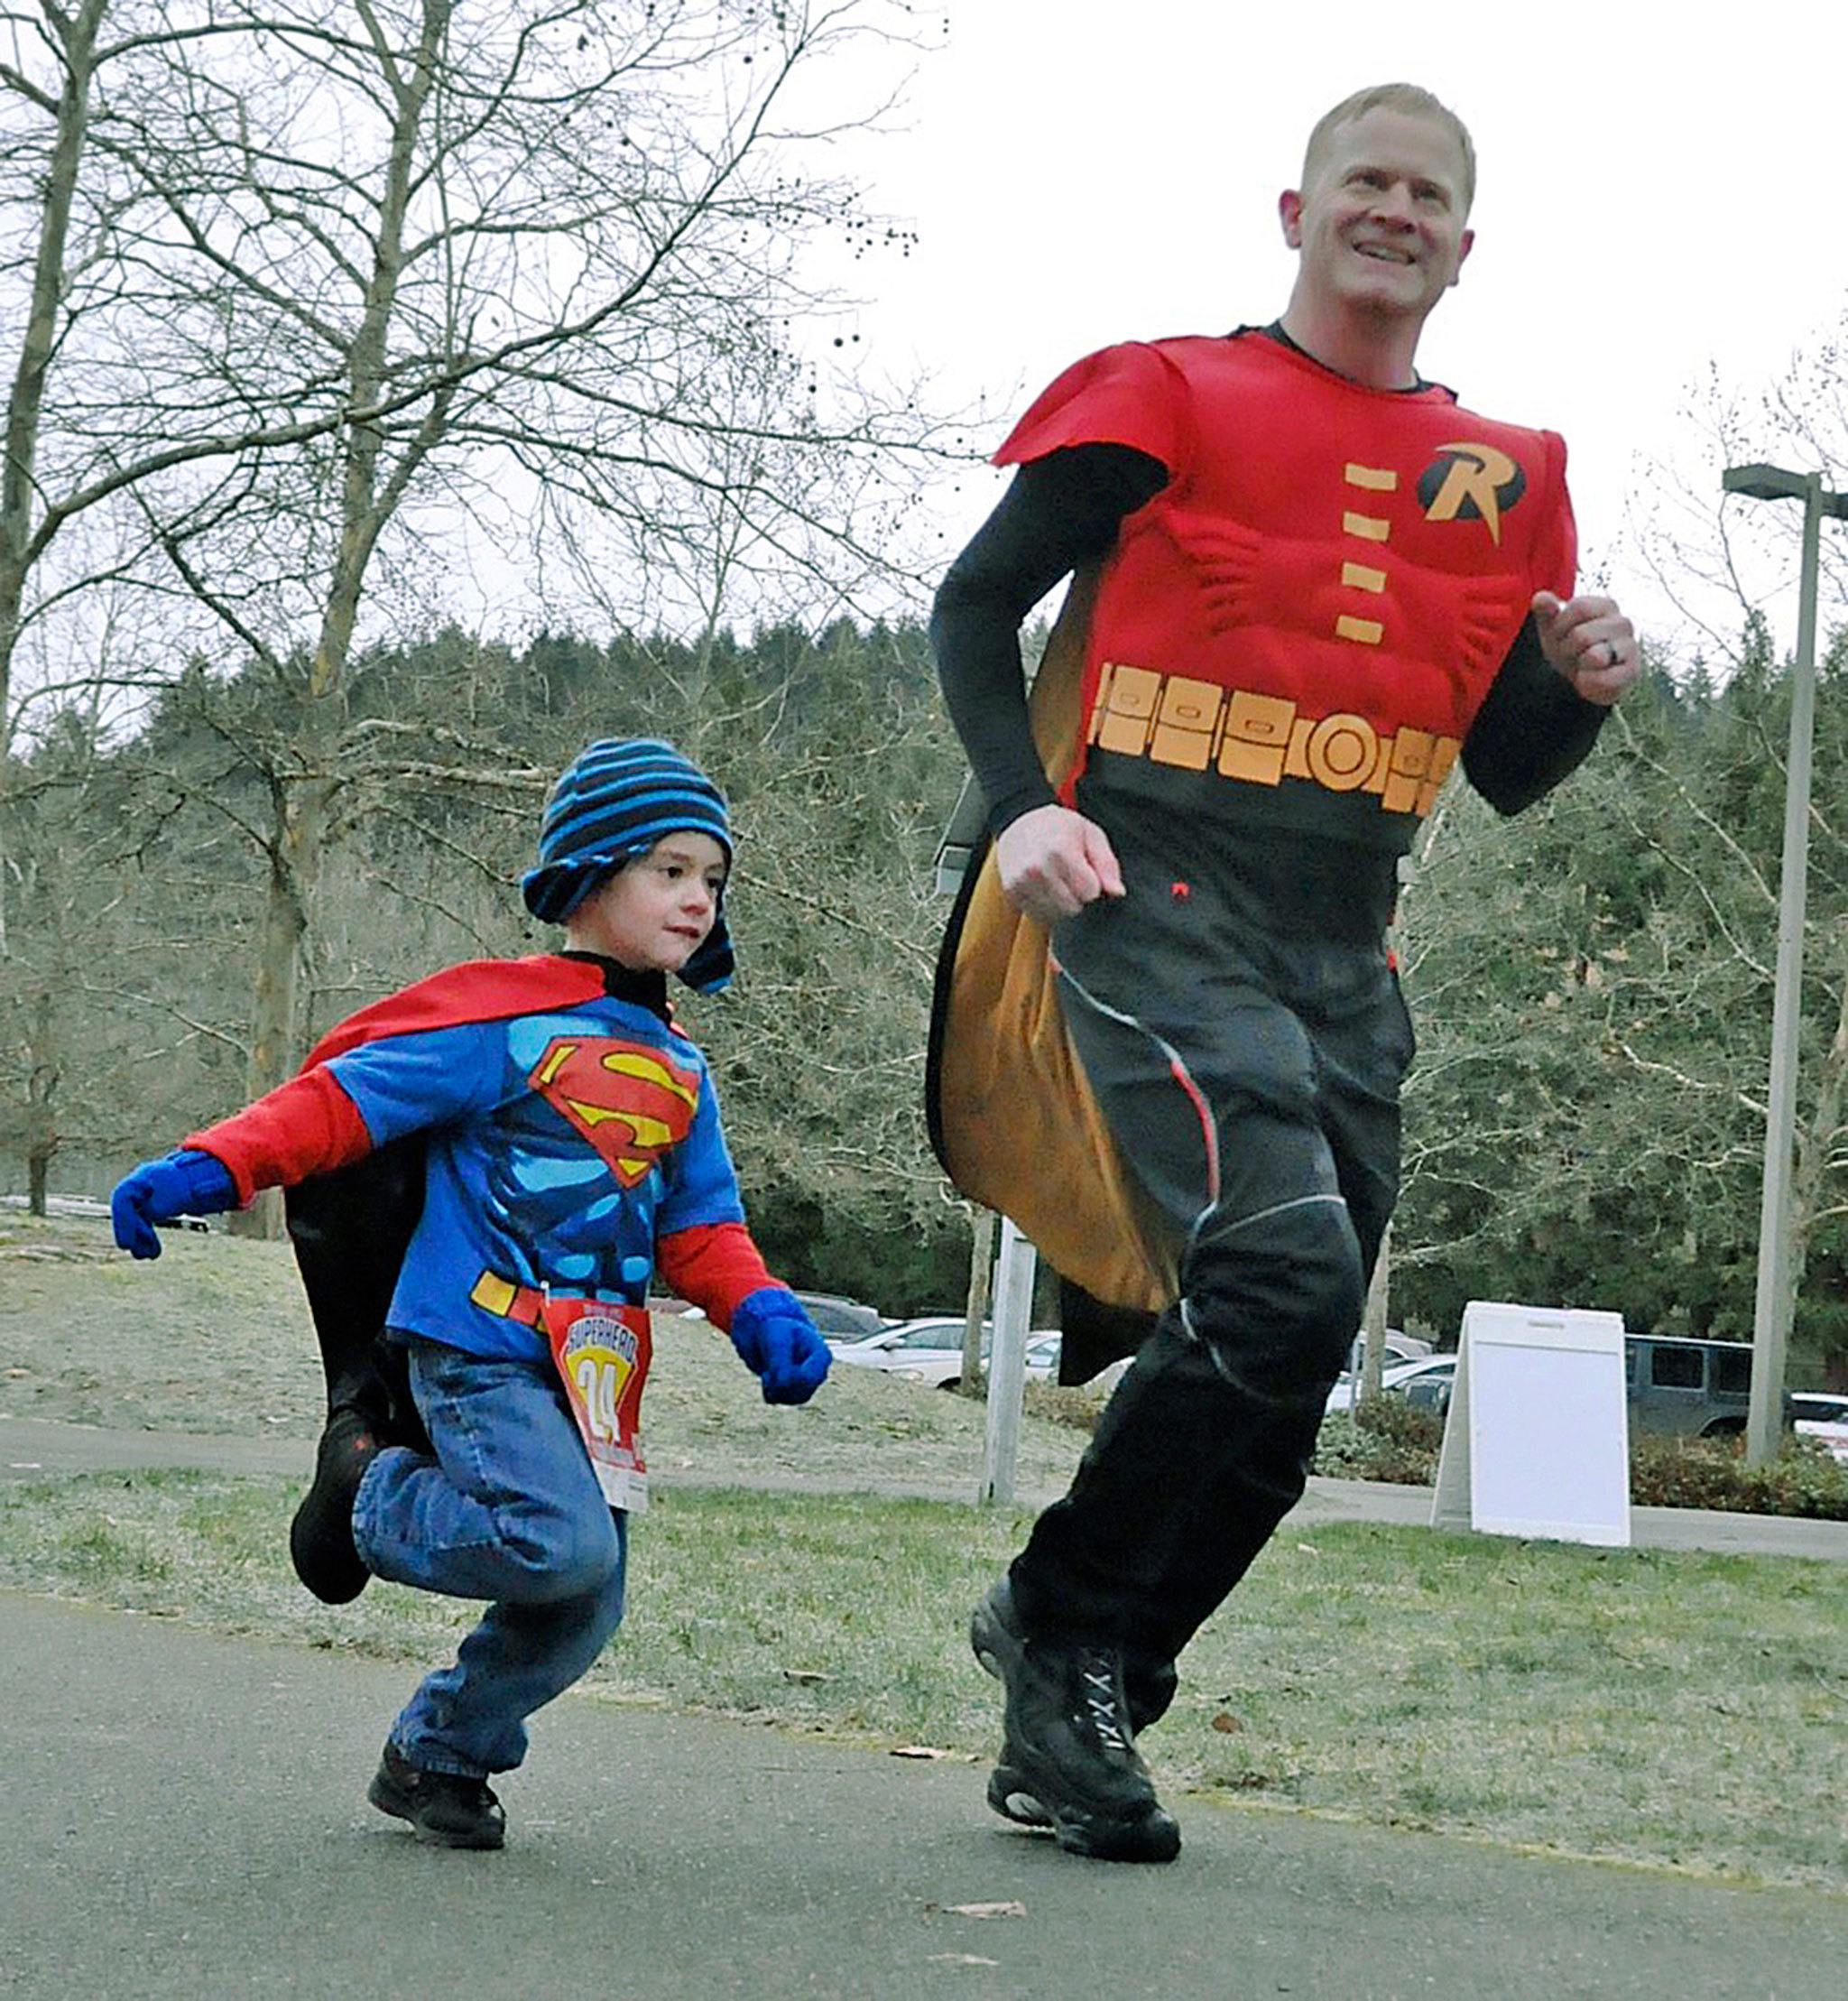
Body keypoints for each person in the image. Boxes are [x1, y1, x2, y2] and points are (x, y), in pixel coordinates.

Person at [926, 83, 1642, 1864]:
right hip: (1144, 874)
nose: (1392, 212)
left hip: (1343, 926)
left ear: (1463, 246)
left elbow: (1503, 765)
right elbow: (970, 603)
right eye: (1363, 184)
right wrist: (1019, 808)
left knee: (1301, 1334)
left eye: (1427, 195)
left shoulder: (1513, 472)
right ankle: (1071, 1627)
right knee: (1276, 1261)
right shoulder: (1164, 389)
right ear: (1296, 210)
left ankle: (1083, 1649)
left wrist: (1583, 690)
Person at [109, 737, 831, 1849]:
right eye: (670, 870)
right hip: (475, 1338)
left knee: (585, 1600)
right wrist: (212, 1165)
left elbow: (700, 1226)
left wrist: (761, 1312)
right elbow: (344, 1103)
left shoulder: (682, 1070)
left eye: (712, 879)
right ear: (592, 873)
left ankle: (438, 1753)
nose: (696, 900)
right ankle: (363, 1493)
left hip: (594, 1368)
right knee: (561, 1546)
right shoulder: (500, 1023)